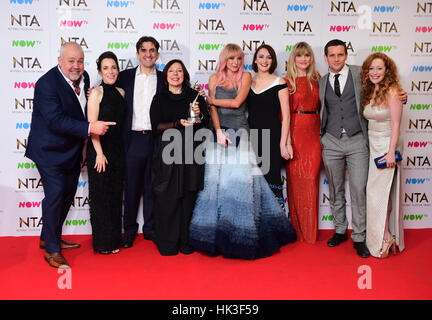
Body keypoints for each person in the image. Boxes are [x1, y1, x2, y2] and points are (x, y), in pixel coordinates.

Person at [189, 43, 297, 259]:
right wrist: (218, 131)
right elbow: (212, 110)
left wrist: (212, 100)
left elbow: (237, 103)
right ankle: (216, 237)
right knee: (215, 187)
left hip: (240, 134)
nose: (236, 63)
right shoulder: (213, 78)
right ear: (224, 60)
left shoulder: (246, 77)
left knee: (239, 187)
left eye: (239, 59)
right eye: (232, 59)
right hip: (218, 136)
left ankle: (241, 237)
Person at [25, 42, 115, 268]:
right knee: (55, 196)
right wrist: (89, 128)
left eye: (80, 61)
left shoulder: (83, 79)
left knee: (66, 196)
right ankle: (52, 251)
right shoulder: (46, 84)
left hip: (73, 151)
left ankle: (48, 237)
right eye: (71, 61)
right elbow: (55, 121)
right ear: (60, 61)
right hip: (49, 151)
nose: (76, 66)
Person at [149, 59, 209, 256]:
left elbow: (204, 124)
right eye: (172, 71)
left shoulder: (195, 96)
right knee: (168, 198)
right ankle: (168, 243)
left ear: (185, 75)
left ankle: (185, 241)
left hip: (191, 153)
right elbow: (156, 127)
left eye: (180, 71)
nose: (176, 74)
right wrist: (178, 123)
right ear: (166, 76)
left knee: (188, 198)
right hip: (168, 154)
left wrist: (199, 116)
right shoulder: (159, 98)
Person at [319, 39, 371, 257]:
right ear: (326, 58)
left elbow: (384, 85)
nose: (336, 59)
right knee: (335, 189)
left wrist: (399, 96)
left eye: (340, 55)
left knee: (359, 189)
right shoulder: (320, 82)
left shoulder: (361, 73)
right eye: (332, 55)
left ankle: (359, 236)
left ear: (346, 55)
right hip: (331, 141)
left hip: (357, 139)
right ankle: (340, 230)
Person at [116, 36, 163, 248]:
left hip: (156, 139)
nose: (148, 54)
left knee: (152, 186)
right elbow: (106, 92)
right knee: (132, 187)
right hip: (132, 139)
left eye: (152, 50)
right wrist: (94, 91)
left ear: (157, 54)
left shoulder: (164, 78)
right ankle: (129, 230)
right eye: (144, 50)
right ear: (137, 54)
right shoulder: (124, 77)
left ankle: (151, 229)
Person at [361, 53, 404, 258]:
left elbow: (396, 124)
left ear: (387, 70)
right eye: (371, 68)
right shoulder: (370, 90)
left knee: (380, 194)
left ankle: (385, 238)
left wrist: (390, 153)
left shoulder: (394, 92)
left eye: (379, 68)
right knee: (376, 194)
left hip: (387, 148)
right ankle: (383, 236)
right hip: (372, 148)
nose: (375, 73)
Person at [87, 51, 126, 255]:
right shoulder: (96, 93)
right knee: (100, 196)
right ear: (100, 71)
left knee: (114, 196)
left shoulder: (121, 92)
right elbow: (92, 126)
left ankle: (114, 240)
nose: (110, 71)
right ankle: (102, 243)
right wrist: (99, 153)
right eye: (106, 68)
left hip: (117, 151)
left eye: (113, 67)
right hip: (99, 150)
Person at [284, 42, 322, 244]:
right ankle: (298, 231)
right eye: (299, 55)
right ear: (293, 58)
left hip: (315, 133)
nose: (303, 59)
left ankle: (310, 233)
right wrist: (286, 141)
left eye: (307, 55)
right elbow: (283, 115)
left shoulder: (317, 79)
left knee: (311, 181)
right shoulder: (286, 81)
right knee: (296, 183)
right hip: (295, 132)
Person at [247, 44, 292, 207]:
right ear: (255, 60)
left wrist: (283, 143)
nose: (264, 60)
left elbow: (286, 116)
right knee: (252, 180)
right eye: (261, 56)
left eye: (269, 57)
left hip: (272, 137)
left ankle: (276, 223)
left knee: (271, 179)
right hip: (251, 137)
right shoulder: (247, 82)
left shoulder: (280, 82)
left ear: (273, 61)